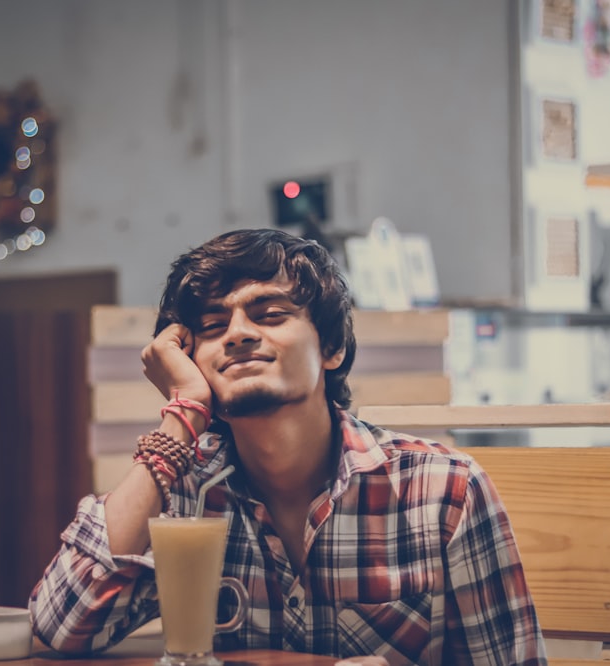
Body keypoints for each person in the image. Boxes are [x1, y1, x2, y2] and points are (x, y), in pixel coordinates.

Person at [29, 228, 547, 664]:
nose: (237, 334)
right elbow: (59, 626)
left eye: (270, 314)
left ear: (333, 347)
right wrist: (183, 413)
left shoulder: (443, 492)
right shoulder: (183, 492)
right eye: (212, 326)